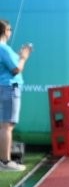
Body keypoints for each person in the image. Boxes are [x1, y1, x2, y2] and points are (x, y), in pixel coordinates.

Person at [0, 20, 32, 172]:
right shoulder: (3, 49)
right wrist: (24, 57)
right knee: (7, 126)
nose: (11, 31)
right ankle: (5, 161)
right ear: (5, 31)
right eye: (9, 29)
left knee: (5, 125)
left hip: (5, 87)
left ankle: (4, 160)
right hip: (9, 88)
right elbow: (16, 70)